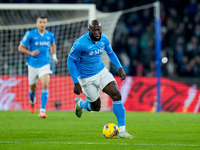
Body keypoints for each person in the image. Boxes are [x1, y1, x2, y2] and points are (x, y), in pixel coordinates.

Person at [67, 20, 134, 138]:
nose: (97, 33)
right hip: (86, 78)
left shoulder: (104, 39)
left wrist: (120, 67)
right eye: (94, 30)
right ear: (89, 31)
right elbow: (70, 61)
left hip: (101, 72)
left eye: (99, 30)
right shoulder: (80, 44)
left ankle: (122, 131)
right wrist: (75, 82)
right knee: (96, 107)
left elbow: (110, 53)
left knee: (116, 94)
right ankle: (81, 103)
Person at [18, 16, 58, 118]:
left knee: (45, 84)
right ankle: (32, 101)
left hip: (45, 63)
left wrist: (54, 56)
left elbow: (53, 45)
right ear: (37, 23)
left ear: (46, 24)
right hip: (32, 64)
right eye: (40, 22)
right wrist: (30, 52)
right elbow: (20, 47)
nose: (42, 24)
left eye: (44, 22)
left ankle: (42, 111)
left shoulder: (50, 35)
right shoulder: (30, 34)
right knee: (32, 88)